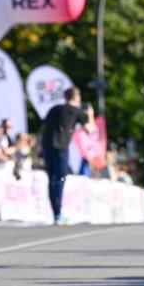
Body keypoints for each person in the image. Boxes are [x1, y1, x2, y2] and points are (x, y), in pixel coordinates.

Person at [41, 86, 93, 224]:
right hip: (61, 148)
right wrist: (91, 114)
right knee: (60, 179)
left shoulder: (54, 109)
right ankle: (58, 214)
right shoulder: (76, 111)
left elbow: (45, 125)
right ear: (76, 97)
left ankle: (56, 213)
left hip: (47, 146)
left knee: (51, 180)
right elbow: (89, 129)